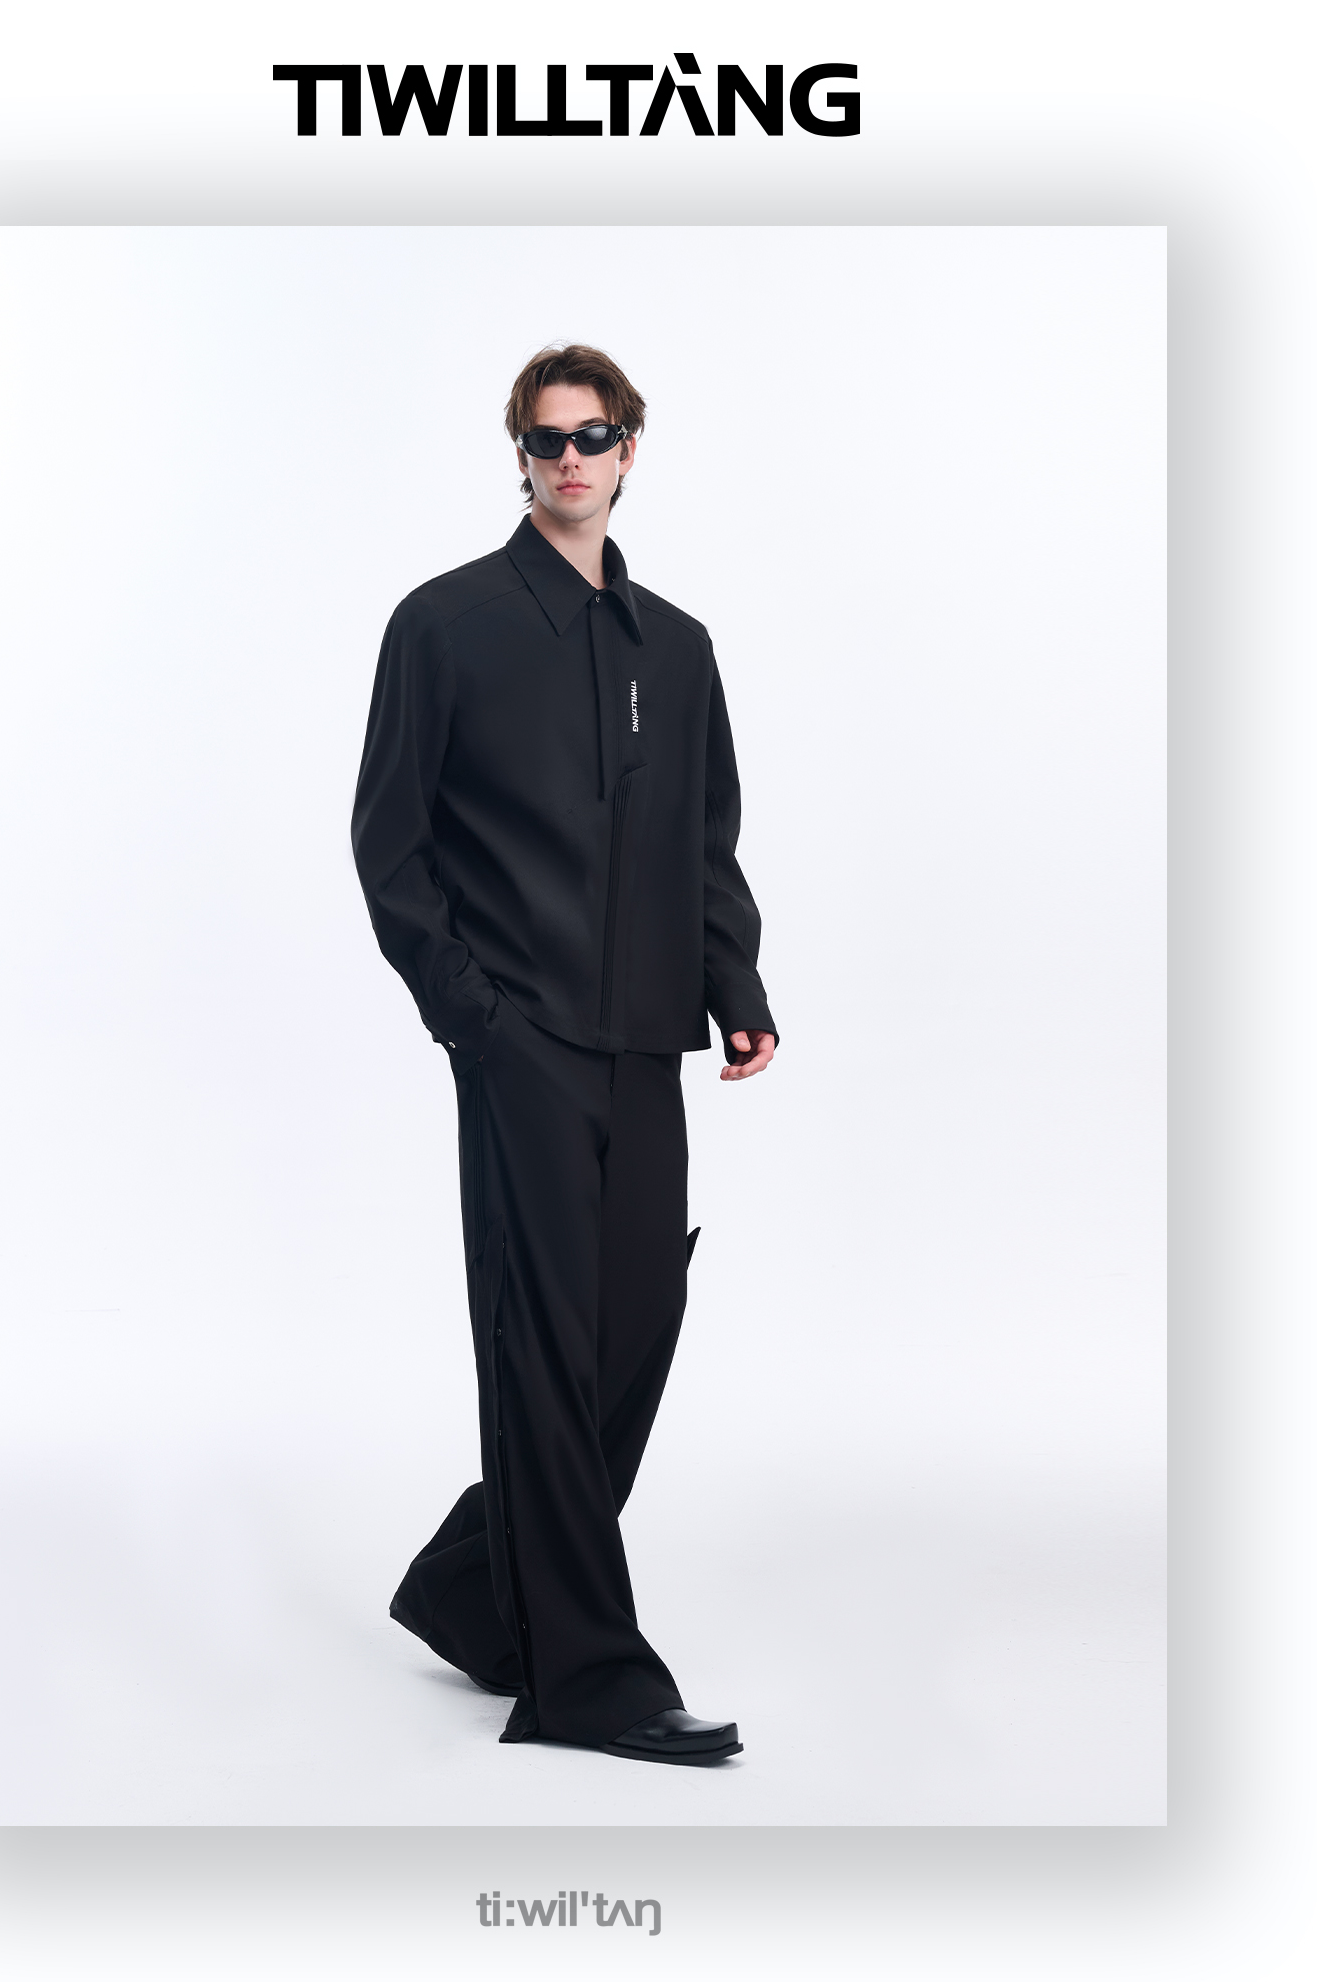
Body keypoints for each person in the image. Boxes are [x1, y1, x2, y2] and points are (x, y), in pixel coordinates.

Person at [350, 342, 777, 1766]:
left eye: (595, 436)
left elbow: (706, 843)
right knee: (543, 1348)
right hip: (519, 1040)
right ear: (521, 456)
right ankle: (590, 1682)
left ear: (629, 450)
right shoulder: (445, 626)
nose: (572, 459)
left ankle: (478, 1592)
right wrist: (472, 1018)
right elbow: (390, 845)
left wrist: (734, 986)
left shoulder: (680, 649)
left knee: (634, 1327)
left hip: (647, 1043)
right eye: (549, 439)